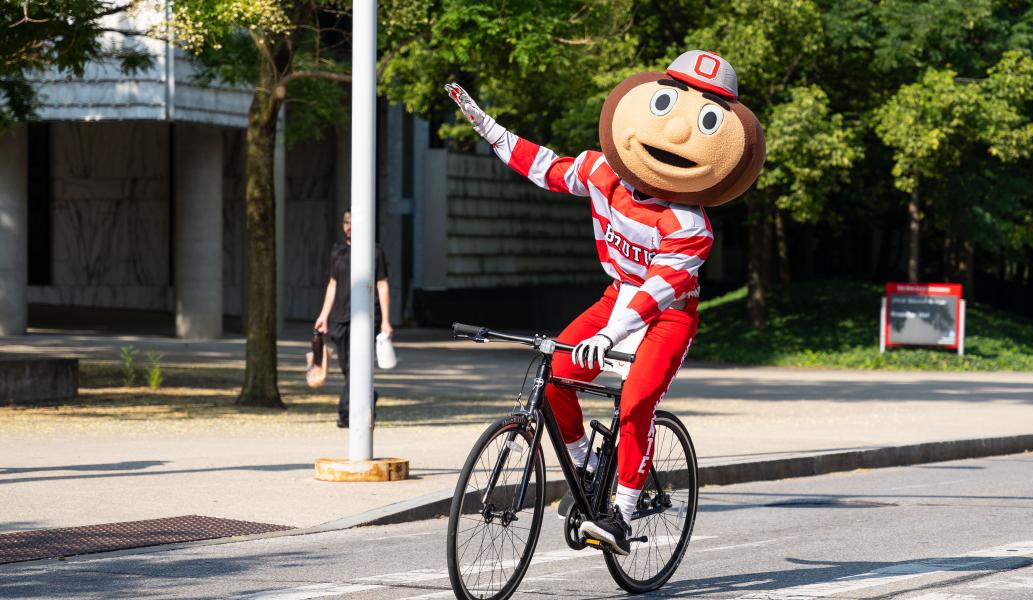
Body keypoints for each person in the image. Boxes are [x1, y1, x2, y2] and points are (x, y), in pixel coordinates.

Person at [446, 50, 764, 555]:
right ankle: (587, 464)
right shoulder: (601, 173)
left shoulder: (690, 227)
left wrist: (611, 335)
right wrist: (488, 128)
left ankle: (624, 511)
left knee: (637, 401)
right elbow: (546, 167)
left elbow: (659, 287)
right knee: (557, 375)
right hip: (615, 295)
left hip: (667, 315)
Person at [313, 208, 393, 428]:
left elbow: (382, 285)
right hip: (340, 316)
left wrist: (386, 320)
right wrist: (323, 315)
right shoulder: (337, 251)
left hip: (368, 317)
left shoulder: (375, 252)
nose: (348, 226)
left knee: (359, 364)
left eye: (352, 222)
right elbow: (333, 284)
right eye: (345, 221)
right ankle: (369, 395)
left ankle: (345, 411)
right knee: (347, 367)